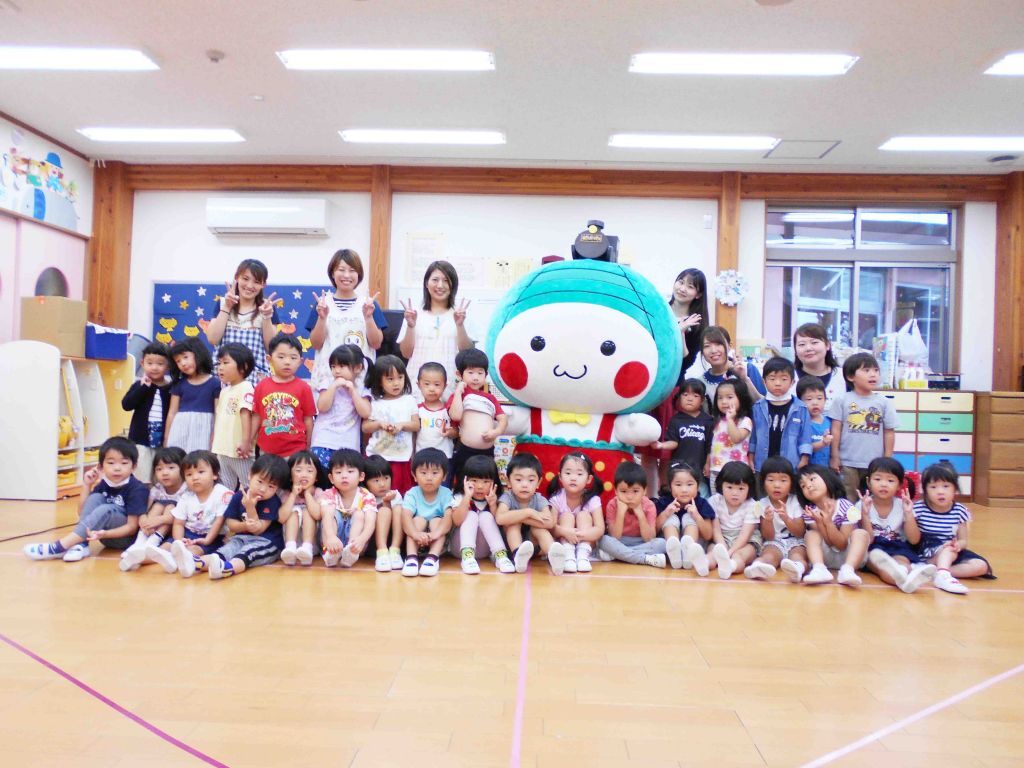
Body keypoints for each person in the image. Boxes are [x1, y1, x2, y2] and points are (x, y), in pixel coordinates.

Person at [24, 437, 148, 562]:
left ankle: (59, 547)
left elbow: (131, 527)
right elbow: (82, 513)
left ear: (133, 466)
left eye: (124, 463)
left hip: (125, 540)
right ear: (101, 467)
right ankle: (81, 545)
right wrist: (87, 485)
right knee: (95, 498)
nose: (117, 468)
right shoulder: (104, 484)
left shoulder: (137, 489)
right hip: (103, 538)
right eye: (111, 463)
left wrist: (105, 534)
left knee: (106, 509)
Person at [640, 269, 709, 487]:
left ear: (698, 294)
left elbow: (685, 361)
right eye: (681, 282)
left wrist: (680, 332)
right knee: (647, 449)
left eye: (690, 286)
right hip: (650, 385)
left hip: (672, 388)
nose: (682, 288)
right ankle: (650, 497)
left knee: (666, 452)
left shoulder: (696, 323)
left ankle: (665, 494)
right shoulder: (659, 311)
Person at [174, 453, 290, 579]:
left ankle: (227, 569)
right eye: (260, 481)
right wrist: (245, 525)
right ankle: (195, 563)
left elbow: (258, 529)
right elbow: (231, 525)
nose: (263, 489)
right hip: (240, 538)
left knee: (247, 553)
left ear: (277, 488)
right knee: (223, 552)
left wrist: (250, 507)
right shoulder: (238, 496)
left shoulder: (272, 501)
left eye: (271, 486)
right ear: (250, 475)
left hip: (266, 542)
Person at [307, 248, 387, 390]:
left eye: (352, 270)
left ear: (359, 274)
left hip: (360, 380)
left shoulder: (369, 304)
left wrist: (368, 318)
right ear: (332, 273)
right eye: (341, 270)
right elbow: (316, 344)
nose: (346, 275)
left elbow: (376, 344)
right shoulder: (322, 304)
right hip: (327, 379)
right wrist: (322, 319)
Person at [398, 260, 474, 402]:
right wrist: (410, 326)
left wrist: (460, 325)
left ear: (453, 285)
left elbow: (467, 355)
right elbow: (406, 353)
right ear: (426, 283)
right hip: (417, 387)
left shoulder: (461, 313)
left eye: (446, 280)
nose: (440, 285)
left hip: (450, 387)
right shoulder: (414, 313)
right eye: (435, 280)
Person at [913, 461, 993, 594]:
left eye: (946, 486)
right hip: (926, 551)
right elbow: (911, 537)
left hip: (950, 551)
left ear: (955, 488)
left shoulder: (959, 511)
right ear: (925, 490)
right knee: (948, 550)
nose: (940, 492)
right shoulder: (919, 508)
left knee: (981, 566)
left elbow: (963, 540)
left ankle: (935, 572)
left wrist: (957, 545)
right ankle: (943, 576)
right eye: (933, 487)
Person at [858, 457, 936, 593]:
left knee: (902, 562)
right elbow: (868, 540)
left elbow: (914, 539)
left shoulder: (903, 505)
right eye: (878, 479)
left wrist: (908, 514)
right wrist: (865, 514)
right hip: (873, 547)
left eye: (890, 480)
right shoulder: (862, 505)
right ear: (868, 482)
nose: (883, 484)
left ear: (900, 485)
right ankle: (906, 576)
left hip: (897, 546)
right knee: (879, 564)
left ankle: (904, 572)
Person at [148, 450, 232, 575]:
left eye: (201, 472)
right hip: (187, 534)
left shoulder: (222, 493)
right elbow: (178, 523)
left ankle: (175, 561)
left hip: (211, 537)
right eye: (189, 474)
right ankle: (136, 558)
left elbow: (219, 521)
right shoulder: (186, 496)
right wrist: (179, 541)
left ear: (215, 474)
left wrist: (207, 540)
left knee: (194, 551)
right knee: (164, 548)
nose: (195, 477)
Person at [827, 352, 897, 500]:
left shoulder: (884, 402)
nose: (873, 374)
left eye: (876, 370)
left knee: (872, 499)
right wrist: (834, 456)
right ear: (850, 376)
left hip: (875, 464)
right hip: (847, 462)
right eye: (866, 370)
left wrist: (887, 459)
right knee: (848, 499)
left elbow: (889, 432)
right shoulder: (842, 400)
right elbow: (836, 430)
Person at [205, 259, 280, 385]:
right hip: (224, 378)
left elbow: (271, 348)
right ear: (236, 278)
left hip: (254, 378)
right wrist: (227, 307)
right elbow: (212, 339)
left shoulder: (267, 307)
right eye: (245, 279)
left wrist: (266, 317)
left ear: (263, 285)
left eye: (256, 282)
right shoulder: (223, 303)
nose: (250, 286)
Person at [797, 464, 870, 586]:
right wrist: (820, 522)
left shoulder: (847, 507)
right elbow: (829, 542)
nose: (808, 485)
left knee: (860, 533)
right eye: (803, 486)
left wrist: (828, 522)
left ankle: (848, 570)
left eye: (812, 479)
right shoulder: (810, 512)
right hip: (826, 557)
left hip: (850, 556)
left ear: (827, 478)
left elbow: (841, 544)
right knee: (811, 534)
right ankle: (819, 569)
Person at [496, 452, 566, 575]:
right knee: (513, 525)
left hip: (535, 547)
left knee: (539, 529)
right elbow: (500, 518)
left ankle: (553, 556)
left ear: (538, 482)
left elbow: (550, 523)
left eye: (531, 480)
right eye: (518, 479)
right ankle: (518, 556)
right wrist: (529, 512)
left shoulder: (539, 499)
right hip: (511, 546)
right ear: (508, 481)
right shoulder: (507, 497)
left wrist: (522, 517)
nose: (524, 484)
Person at [119, 446, 187, 571]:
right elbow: (145, 510)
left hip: (176, 529)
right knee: (157, 506)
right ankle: (139, 543)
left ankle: (152, 543)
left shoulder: (186, 489)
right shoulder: (157, 489)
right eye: (159, 469)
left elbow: (183, 516)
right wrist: (144, 519)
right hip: (152, 528)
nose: (164, 473)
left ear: (183, 469)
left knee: (170, 506)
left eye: (171, 468)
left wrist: (160, 520)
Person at [251, 333, 317, 458]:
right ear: (269, 359)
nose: (287, 362)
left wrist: (309, 445)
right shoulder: (261, 386)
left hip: (295, 450)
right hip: (266, 450)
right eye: (281, 357)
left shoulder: (304, 388)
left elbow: (308, 419)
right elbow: (256, 416)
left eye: (293, 358)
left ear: (300, 361)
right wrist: (249, 441)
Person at [447, 348, 508, 482]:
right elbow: (456, 416)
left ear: (486, 375)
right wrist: (458, 392)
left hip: (488, 452)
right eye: (470, 372)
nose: (475, 377)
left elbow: (503, 418)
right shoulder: (459, 395)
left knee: (488, 481)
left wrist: (496, 431)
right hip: (465, 451)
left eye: (480, 373)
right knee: (464, 482)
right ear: (459, 374)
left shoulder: (490, 398)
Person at [744, 457, 807, 582]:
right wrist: (768, 520)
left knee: (798, 555)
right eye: (771, 480)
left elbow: (800, 532)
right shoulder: (762, 504)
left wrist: (786, 518)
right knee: (769, 555)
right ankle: (758, 566)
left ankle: (797, 569)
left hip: (796, 541)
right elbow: (768, 536)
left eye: (783, 480)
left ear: (791, 482)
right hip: (774, 542)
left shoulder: (795, 501)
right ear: (763, 482)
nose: (777, 485)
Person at [362, 355, 420, 493]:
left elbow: (416, 425)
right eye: (390, 379)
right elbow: (365, 427)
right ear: (379, 381)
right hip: (378, 457)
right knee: (376, 493)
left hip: (401, 458)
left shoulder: (409, 400)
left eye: (400, 377)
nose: (396, 383)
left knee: (399, 494)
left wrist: (401, 425)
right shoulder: (375, 402)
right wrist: (379, 424)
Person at [648, 378, 714, 496]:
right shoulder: (676, 420)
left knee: (701, 494)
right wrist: (661, 445)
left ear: (702, 400)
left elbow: (710, 445)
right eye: (685, 394)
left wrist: (708, 463)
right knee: (679, 493)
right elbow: (674, 442)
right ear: (679, 397)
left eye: (695, 395)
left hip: (699, 467)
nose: (689, 398)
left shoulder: (708, 420)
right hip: (678, 466)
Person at [451, 454, 515, 574]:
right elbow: (457, 521)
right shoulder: (460, 497)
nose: (480, 486)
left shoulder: (499, 498)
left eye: (486, 481)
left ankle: (501, 556)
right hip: (460, 548)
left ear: (494, 482)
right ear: (465, 480)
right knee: (471, 515)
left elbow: (502, 524)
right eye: (474, 481)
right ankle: (467, 557)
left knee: (486, 516)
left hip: (488, 550)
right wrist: (467, 498)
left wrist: (493, 505)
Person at [310, 344, 371, 468]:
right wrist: (333, 386)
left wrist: (353, 391)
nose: (337, 371)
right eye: (333, 366)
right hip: (323, 441)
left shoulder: (361, 389)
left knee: (345, 476)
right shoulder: (327, 383)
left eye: (342, 366)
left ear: (358, 368)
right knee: (321, 476)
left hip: (348, 445)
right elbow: (322, 407)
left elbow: (366, 413)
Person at [748, 357, 814, 472]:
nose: (778, 383)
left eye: (784, 379)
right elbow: (753, 436)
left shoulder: (801, 408)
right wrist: (750, 456)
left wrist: (804, 459)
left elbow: (805, 436)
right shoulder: (757, 408)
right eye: (772, 379)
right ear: (764, 381)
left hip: (791, 465)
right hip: (762, 463)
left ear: (792, 382)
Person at [120, 341, 173, 482]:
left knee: (159, 477)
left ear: (168, 366)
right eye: (150, 363)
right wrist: (143, 387)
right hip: (141, 440)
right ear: (142, 363)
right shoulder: (139, 385)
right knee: (141, 476)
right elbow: (126, 405)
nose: (154, 367)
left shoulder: (171, 388)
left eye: (160, 364)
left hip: (162, 441)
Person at [597, 462, 667, 568]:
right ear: (616, 491)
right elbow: (614, 537)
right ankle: (645, 559)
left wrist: (640, 514)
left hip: (641, 542)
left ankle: (617, 555)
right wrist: (620, 513)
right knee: (604, 540)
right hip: (620, 541)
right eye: (624, 491)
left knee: (662, 543)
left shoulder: (649, 505)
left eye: (635, 491)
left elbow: (649, 538)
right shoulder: (613, 504)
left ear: (644, 491)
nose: (629, 497)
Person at [547, 451, 605, 574]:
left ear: (589, 479)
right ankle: (568, 556)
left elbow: (600, 529)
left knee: (583, 515)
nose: (573, 478)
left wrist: (580, 535)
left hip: (586, 542)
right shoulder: (556, 498)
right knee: (567, 516)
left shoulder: (593, 499)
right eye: (568, 473)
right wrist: (566, 532)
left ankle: (582, 556)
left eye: (579, 474)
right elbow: (551, 526)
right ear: (560, 476)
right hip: (563, 542)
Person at [319, 449, 378, 568]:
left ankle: (351, 551)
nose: (344, 476)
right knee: (331, 513)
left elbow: (371, 522)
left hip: (357, 543)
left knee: (359, 514)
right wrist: (330, 537)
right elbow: (326, 516)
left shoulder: (367, 496)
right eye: (338, 472)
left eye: (350, 471)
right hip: (330, 540)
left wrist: (361, 540)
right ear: (331, 478)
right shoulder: (329, 494)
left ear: (361, 476)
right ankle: (330, 553)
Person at [400, 448, 455, 577]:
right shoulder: (412, 493)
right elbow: (405, 516)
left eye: (435, 473)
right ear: (414, 475)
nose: (429, 478)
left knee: (438, 520)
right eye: (423, 473)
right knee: (417, 520)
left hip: (438, 540)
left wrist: (435, 534)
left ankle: (432, 558)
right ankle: (411, 558)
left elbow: (448, 517)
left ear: (444, 476)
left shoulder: (446, 493)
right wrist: (415, 534)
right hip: (416, 539)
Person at [705, 461, 762, 580]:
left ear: (749, 488)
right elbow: (716, 530)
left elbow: (745, 535)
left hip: (745, 541)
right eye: (729, 487)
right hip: (721, 537)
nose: (735, 493)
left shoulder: (753, 505)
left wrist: (729, 553)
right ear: (721, 485)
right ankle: (703, 563)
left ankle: (731, 566)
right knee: (713, 553)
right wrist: (722, 548)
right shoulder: (714, 501)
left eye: (741, 488)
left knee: (740, 555)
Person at [211, 343, 256, 490]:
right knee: (225, 487)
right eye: (219, 363)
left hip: (239, 451)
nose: (220, 368)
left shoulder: (246, 387)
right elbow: (219, 420)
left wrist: (246, 441)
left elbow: (246, 414)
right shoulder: (224, 391)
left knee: (248, 485)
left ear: (243, 367)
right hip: (222, 449)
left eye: (225, 363)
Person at [686, 326, 766, 407]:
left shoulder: (747, 369)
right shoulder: (700, 383)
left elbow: (764, 406)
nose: (713, 350)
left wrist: (745, 379)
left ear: (729, 346)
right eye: (707, 346)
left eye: (718, 344)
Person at [655, 462, 713, 573]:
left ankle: (688, 553)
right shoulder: (664, 502)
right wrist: (666, 513)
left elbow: (708, 535)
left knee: (689, 516)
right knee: (671, 518)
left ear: (698, 486)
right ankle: (675, 553)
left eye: (689, 484)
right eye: (678, 485)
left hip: (696, 545)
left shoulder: (701, 503)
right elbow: (653, 532)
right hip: (667, 545)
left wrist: (696, 516)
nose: (684, 490)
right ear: (670, 487)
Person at [164, 337, 220, 453]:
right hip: (179, 430)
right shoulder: (179, 385)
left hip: (203, 431)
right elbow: (172, 412)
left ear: (198, 354)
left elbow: (217, 414)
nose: (183, 363)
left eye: (185, 357)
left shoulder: (215, 383)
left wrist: (215, 436)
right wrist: (166, 438)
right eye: (178, 361)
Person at [279, 451, 326, 567]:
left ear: (316, 477)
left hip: (312, 542)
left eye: (309, 471)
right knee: (293, 511)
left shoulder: (318, 492)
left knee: (307, 511)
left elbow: (317, 515)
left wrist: (307, 494)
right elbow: (281, 518)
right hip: (291, 542)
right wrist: (293, 495)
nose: (304, 475)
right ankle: (290, 548)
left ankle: (307, 548)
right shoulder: (287, 494)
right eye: (298, 470)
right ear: (290, 476)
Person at [362, 454, 406, 572]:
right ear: (365, 481)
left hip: (394, 540)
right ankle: (382, 553)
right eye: (376, 480)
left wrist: (390, 502)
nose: (382, 484)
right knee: (384, 511)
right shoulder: (365, 496)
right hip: (373, 542)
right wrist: (385, 503)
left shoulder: (395, 494)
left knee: (398, 509)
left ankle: (395, 551)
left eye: (386, 478)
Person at [707, 380, 753, 490]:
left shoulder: (745, 421)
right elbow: (711, 445)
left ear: (741, 398)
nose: (724, 401)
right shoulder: (717, 421)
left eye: (729, 397)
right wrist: (707, 463)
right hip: (716, 469)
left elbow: (736, 438)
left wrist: (730, 419)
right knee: (716, 499)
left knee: (734, 498)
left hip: (737, 472)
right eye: (720, 398)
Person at [790, 323, 846, 410]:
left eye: (814, 342)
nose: (808, 348)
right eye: (802, 344)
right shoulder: (788, 377)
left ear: (827, 345)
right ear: (795, 350)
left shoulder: (843, 376)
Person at [415, 362, 458, 459]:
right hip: (421, 458)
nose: (431, 389)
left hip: (445, 457)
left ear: (445, 386)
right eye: (427, 384)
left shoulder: (449, 411)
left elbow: (457, 432)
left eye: (437, 384)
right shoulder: (416, 410)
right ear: (419, 385)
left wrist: (450, 432)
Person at [797, 376, 832, 467]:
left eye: (819, 398)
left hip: (826, 469)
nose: (815, 403)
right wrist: (823, 443)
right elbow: (804, 448)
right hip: (808, 469)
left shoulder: (829, 422)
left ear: (825, 400)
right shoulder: (800, 423)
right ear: (799, 401)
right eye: (809, 399)